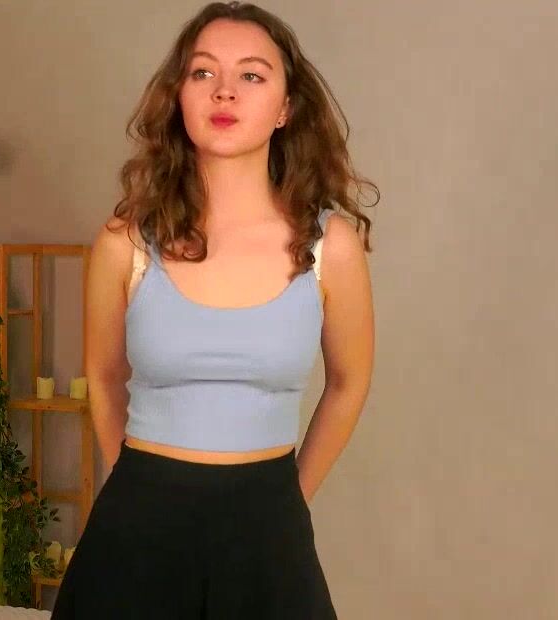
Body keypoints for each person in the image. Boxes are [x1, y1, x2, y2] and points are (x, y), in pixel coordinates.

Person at [51, 2, 376, 618]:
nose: (225, 91)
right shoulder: (124, 242)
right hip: (136, 526)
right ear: (179, 96)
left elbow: (349, 382)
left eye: (252, 75)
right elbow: (103, 374)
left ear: (285, 107)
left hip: (268, 525)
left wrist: (289, 498)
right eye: (203, 72)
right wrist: (133, 482)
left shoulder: (330, 246)